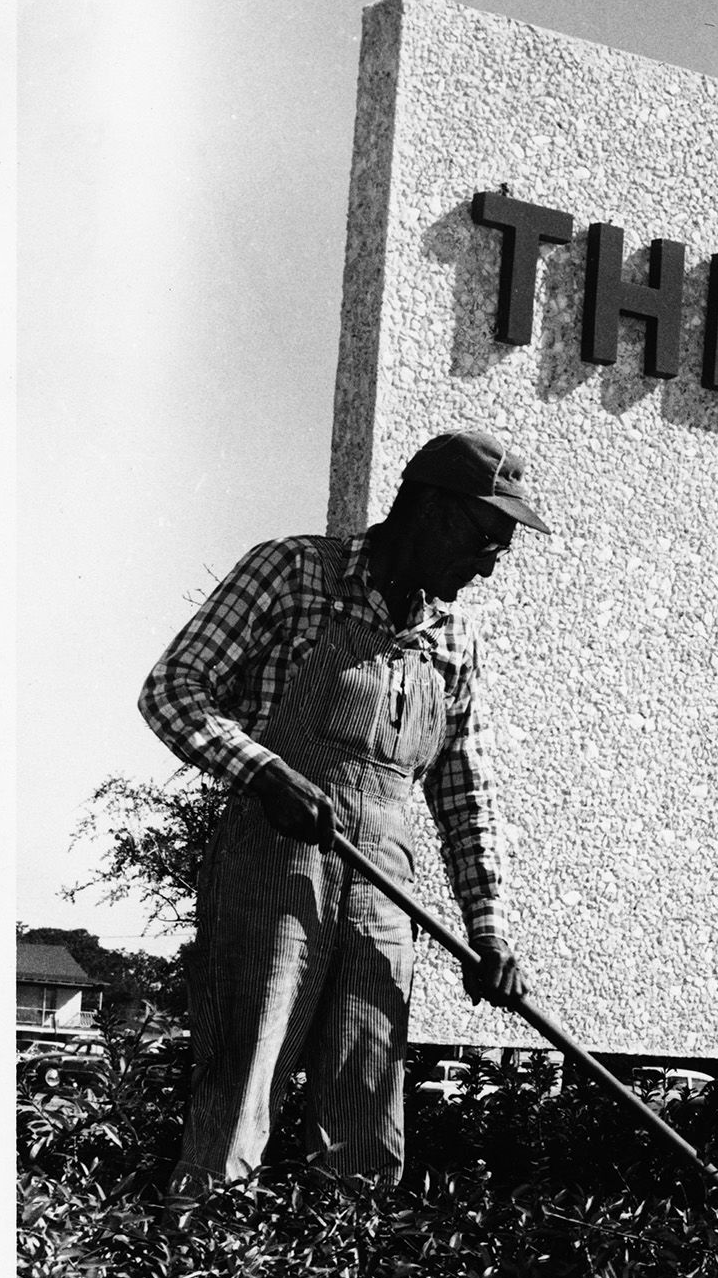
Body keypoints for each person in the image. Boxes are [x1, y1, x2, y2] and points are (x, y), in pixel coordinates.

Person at [141, 430, 548, 1194]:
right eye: (484, 538)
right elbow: (172, 690)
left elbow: (466, 793)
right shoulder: (293, 572)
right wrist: (264, 773)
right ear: (428, 508)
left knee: (366, 1128)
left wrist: (488, 930)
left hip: (383, 895)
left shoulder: (451, 637)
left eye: (503, 547)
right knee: (238, 1101)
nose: (491, 562)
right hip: (275, 870)